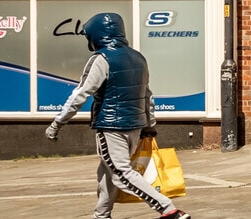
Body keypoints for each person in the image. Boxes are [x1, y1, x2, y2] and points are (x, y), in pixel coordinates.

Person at [44, 11, 192, 219]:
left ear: (96, 35)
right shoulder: (138, 58)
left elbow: (81, 93)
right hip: (136, 126)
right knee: (107, 172)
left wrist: (57, 123)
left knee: (121, 174)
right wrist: (149, 125)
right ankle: (102, 215)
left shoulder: (101, 59)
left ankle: (169, 210)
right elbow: (147, 95)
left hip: (111, 126)